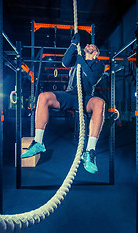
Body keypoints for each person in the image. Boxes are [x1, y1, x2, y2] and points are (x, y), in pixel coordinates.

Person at [21, 33, 105, 174]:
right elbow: (65, 62)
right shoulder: (77, 59)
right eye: (88, 44)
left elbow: (91, 79)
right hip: (69, 95)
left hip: (86, 98)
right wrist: (73, 45)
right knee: (43, 97)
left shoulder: (99, 64)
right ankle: (38, 142)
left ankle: (90, 152)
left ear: (96, 53)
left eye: (92, 46)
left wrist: (81, 61)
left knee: (100, 103)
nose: (89, 45)